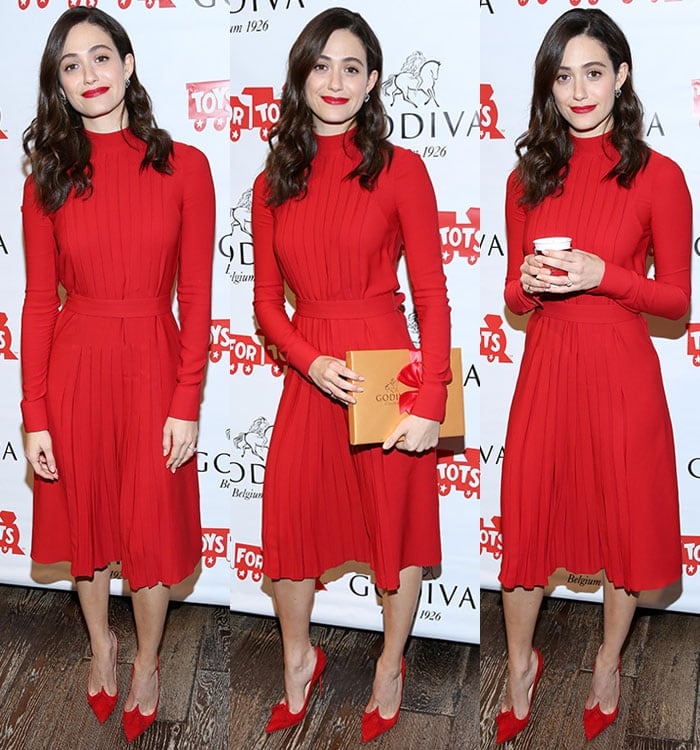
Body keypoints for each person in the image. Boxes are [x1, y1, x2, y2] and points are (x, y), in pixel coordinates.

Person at [252, 7, 451, 744]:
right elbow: (267, 305)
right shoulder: (275, 178)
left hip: (386, 367)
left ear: (371, 83)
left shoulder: (403, 170)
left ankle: (390, 664)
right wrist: (309, 361)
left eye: (352, 68)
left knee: (392, 530)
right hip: (314, 371)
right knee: (292, 522)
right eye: (321, 65)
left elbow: (431, 296)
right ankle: (299, 658)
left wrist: (430, 400)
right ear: (301, 75)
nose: (335, 81)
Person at [495, 8, 691, 744]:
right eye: (564, 75)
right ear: (549, 86)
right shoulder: (527, 176)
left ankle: (609, 660)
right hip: (547, 367)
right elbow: (512, 297)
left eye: (594, 72)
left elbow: (675, 299)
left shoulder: (658, 176)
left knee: (622, 525)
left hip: (621, 373)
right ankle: (518, 664)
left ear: (623, 76)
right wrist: (530, 285)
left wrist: (604, 274)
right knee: (527, 524)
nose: (579, 90)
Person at [21, 8, 214, 743]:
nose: (90, 75)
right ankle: (102, 645)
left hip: (155, 363)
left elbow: (195, 296)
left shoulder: (184, 166)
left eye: (101, 58)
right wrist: (34, 411)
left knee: (152, 523)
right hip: (75, 364)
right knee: (87, 518)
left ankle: (148, 661)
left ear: (129, 65)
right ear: (60, 86)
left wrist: (186, 398)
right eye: (71, 66)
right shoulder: (50, 176)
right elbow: (40, 301)